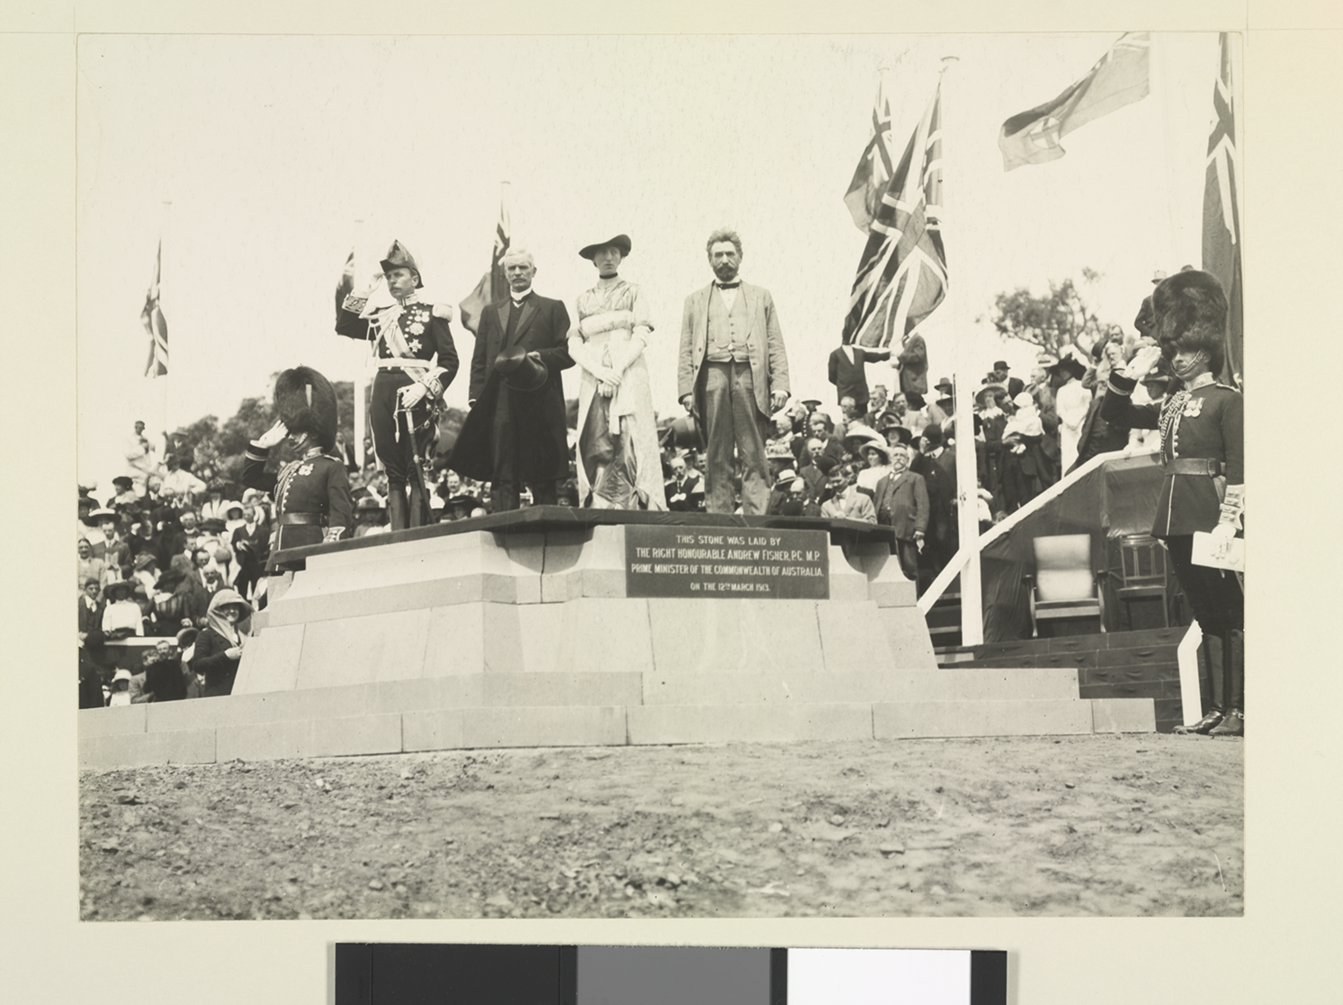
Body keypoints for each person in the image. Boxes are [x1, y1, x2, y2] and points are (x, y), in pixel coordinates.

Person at [1101, 269, 1244, 736]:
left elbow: (1240, 463)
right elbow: (1114, 416)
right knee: (1205, 613)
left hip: (1210, 512)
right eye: (1174, 350)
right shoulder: (1172, 403)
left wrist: (1230, 519)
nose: (1178, 359)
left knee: (1229, 612)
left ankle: (1237, 709)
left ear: (1207, 350)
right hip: (1176, 513)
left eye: (1187, 351)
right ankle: (1218, 710)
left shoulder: (1226, 400)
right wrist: (1128, 375)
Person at [336, 240, 459, 530]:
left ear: (414, 278)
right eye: (389, 277)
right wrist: (365, 289)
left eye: (398, 275)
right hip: (383, 393)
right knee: (392, 470)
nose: (392, 281)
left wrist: (426, 388)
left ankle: (415, 535)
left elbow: (450, 361)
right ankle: (397, 537)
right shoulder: (382, 314)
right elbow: (344, 326)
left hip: (415, 392)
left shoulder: (433, 313)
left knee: (415, 466)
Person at [449, 248, 574, 512]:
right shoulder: (491, 312)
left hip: (539, 400)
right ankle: (502, 539)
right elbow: (480, 359)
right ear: (505, 274)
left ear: (534, 272)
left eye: (523, 268)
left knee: (543, 474)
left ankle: (546, 538)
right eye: (512, 268)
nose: (518, 272)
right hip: (501, 401)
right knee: (503, 471)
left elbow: (567, 353)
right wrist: (476, 396)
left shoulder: (553, 307)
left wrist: (540, 356)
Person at [677, 229, 790, 514]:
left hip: (750, 377)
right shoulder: (694, 300)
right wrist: (685, 391)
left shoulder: (761, 296)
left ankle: (756, 519)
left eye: (729, 253)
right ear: (709, 260)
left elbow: (775, 341)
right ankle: (719, 518)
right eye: (718, 255)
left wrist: (780, 384)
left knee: (753, 451)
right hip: (711, 378)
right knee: (716, 452)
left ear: (740, 256)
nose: (724, 259)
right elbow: (686, 347)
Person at [566, 234, 666, 510]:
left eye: (613, 252)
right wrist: (599, 372)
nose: (608, 258)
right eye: (602, 253)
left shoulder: (634, 292)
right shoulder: (582, 300)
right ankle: (599, 506)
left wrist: (618, 371)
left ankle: (634, 505)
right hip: (592, 375)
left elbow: (642, 335)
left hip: (629, 373)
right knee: (595, 437)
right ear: (593, 259)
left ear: (621, 256)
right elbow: (574, 344)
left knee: (630, 436)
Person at [242, 366, 354, 565]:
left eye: (296, 431)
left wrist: (329, 548)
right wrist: (262, 445)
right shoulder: (288, 470)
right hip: (280, 548)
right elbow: (250, 478)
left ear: (312, 431)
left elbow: (341, 515)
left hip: (311, 547)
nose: (290, 438)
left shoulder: (331, 467)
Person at [872, 444, 929, 581]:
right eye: (895, 455)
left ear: (908, 459)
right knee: (888, 564)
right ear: (891, 459)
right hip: (884, 526)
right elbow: (876, 503)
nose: (898, 458)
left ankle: (915, 598)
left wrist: (920, 528)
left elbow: (923, 504)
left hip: (905, 526)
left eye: (902, 456)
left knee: (908, 565)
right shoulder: (882, 481)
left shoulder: (915, 478)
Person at [190, 590, 253, 698]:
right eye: (227, 608)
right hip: (219, 695)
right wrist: (225, 656)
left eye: (235, 607)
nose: (232, 611)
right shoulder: (206, 634)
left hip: (243, 693)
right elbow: (197, 665)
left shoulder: (245, 634)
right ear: (217, 611)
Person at [1051, 351, 1092, 473]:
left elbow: (1087, 405)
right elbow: (1060, 410)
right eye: (1060, 371)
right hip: (1067, 427)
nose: (1062, 373)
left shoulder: (1083, 387)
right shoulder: (1061, 390)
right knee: (1067, 456)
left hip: (1081, 424)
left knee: (1079, 452)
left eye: (1065, 370)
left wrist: (1077, 419)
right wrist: (1069, 420)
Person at [827, 342, 891, 415]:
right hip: (846, 395)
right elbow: (831, 377)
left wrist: (890, 354)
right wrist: (844, 384)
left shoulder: (859, 353)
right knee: (849, 418)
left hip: (861, 396)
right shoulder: (835, 354)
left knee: (863, 419)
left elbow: (875, 357)